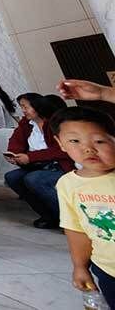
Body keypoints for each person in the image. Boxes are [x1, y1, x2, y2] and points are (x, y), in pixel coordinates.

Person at [53, 106, 115, 307]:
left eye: (99, 141)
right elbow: (76, 230)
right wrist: (80, 266)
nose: (88, 148)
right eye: (74, 141)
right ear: (60, 143)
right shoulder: (67, 184)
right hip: (107, 269)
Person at [4, 93, 73, 229]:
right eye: (21, 107)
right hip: (36, 165)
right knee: (12, 177)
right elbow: (16, 140)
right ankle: (49, 216)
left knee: (35, 179)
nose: (23, 110)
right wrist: (14, 154)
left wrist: (30, 157)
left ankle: (70, 219)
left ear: (37, 106)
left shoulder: (55, 123)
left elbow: (61, 150)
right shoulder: (26, 123)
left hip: (60, 165)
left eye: (25, 107)